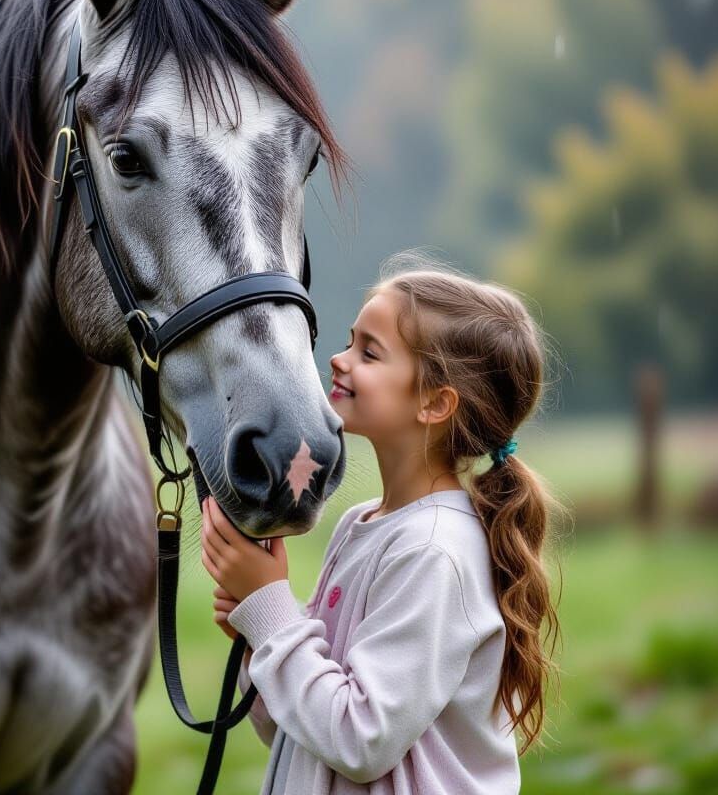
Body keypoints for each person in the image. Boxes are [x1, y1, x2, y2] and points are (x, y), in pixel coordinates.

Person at [200, 254, 563, 794]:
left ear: (435, 404)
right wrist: (260, 640)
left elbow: (360, 741)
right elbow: (308, 736)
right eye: (349, 341)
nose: (339, 360)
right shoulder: (361, 524)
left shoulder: (435, 551)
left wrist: (275, 614)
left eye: (370, 352)